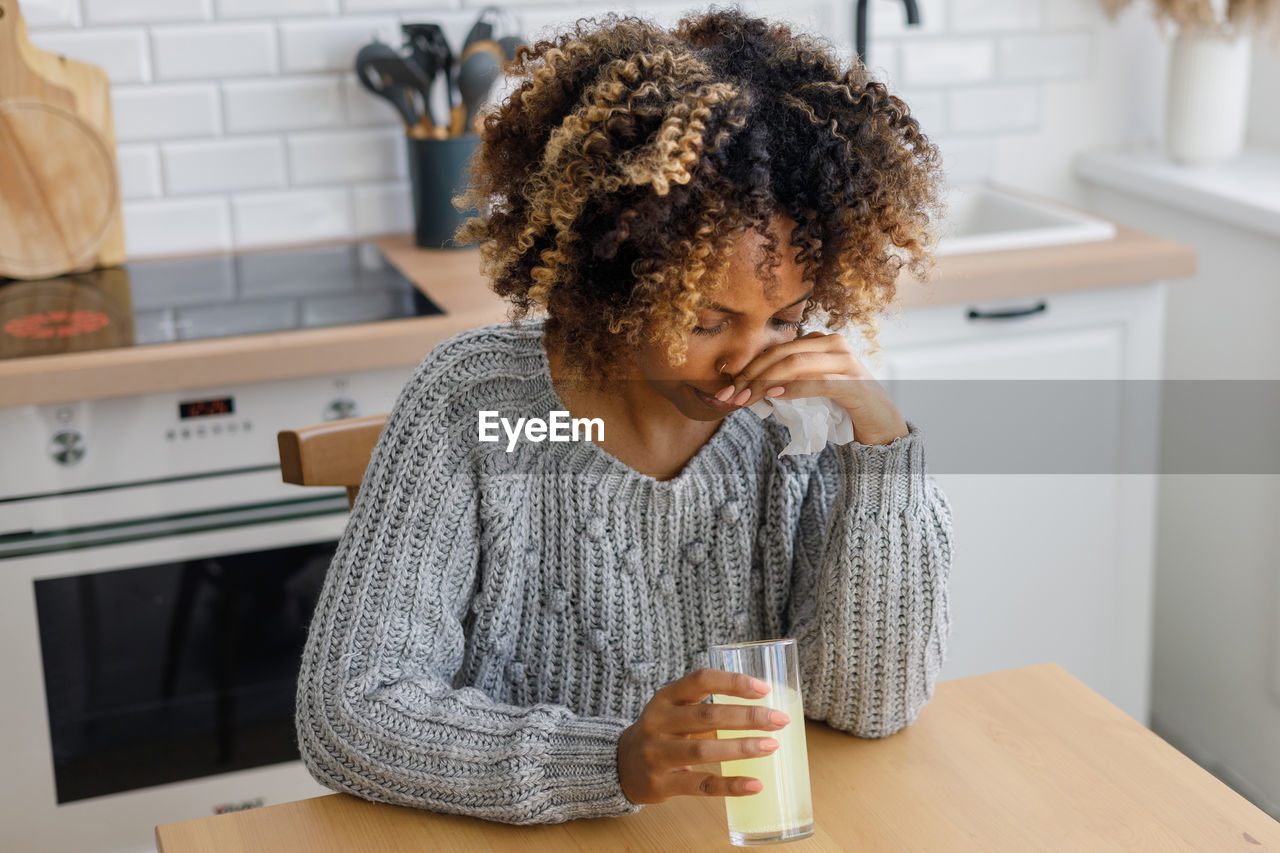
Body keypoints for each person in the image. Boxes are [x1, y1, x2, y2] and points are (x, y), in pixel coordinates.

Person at [295, 6, 952, 826]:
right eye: (708, 320)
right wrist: (612, 760)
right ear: (617, 278)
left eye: (784, 318)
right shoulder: (482, 411)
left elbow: (873, 704)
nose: (749, 357)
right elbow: (351, 711)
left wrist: (880, 445)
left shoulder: (798, 425)